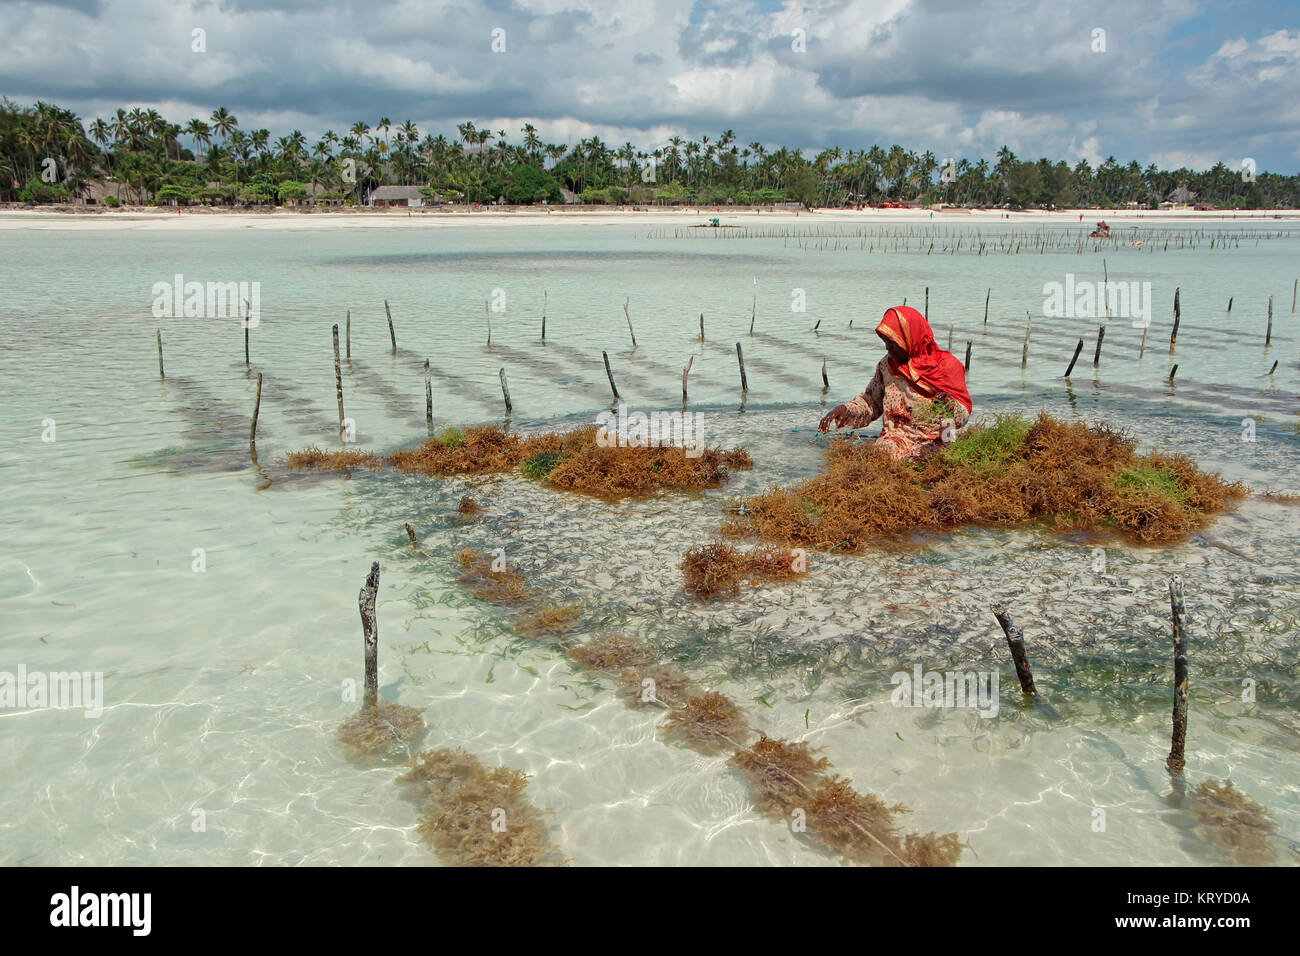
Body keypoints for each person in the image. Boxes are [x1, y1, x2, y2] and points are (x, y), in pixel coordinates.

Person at [818, 305, 973, 460]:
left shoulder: (946, 366)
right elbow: (871, 402)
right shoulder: (887, 366)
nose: (887, 348)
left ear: (909, 338)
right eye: (885, 341)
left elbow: (961, 418)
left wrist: (948, 405)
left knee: (942, 459)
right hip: (898, 438)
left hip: (938, 440)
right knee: (883, 453)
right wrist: (844, 410)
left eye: (892, 342)